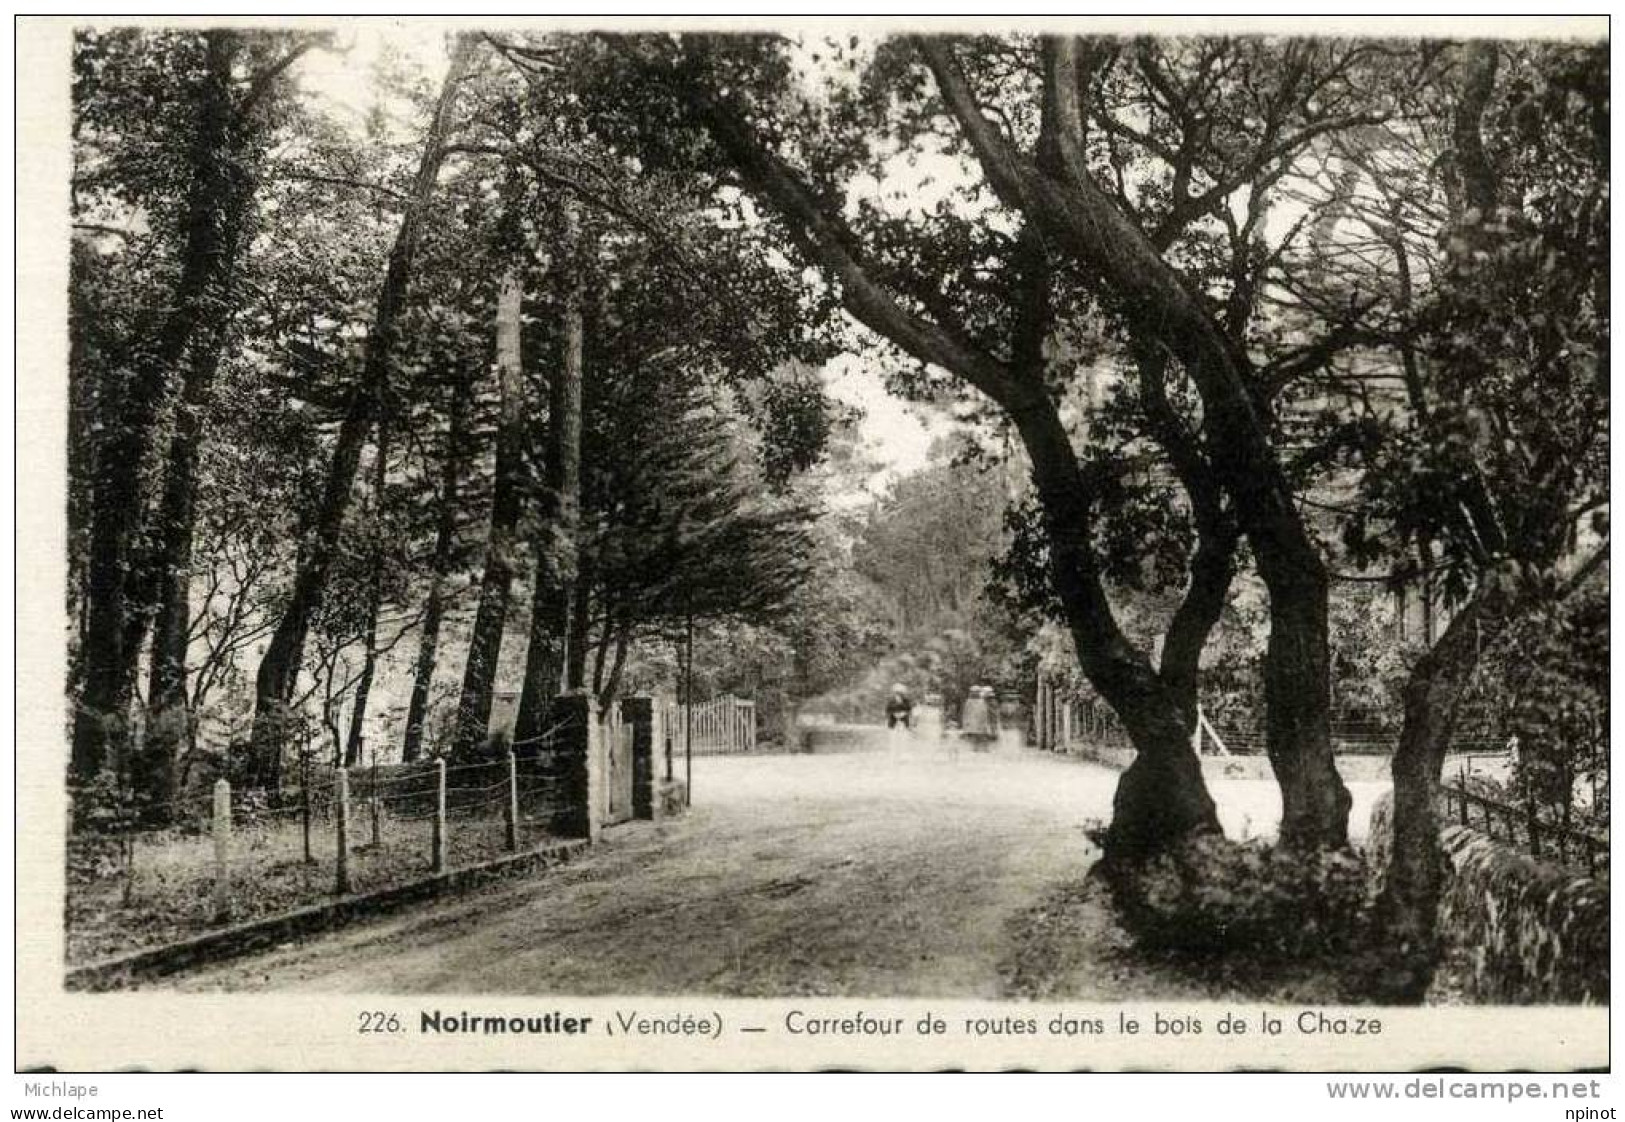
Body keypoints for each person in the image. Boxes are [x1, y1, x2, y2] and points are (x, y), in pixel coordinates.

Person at [960, 685, 997, 752]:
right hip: (975, 722)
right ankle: (976, 748)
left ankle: (984, 748)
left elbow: (984, 713)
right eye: (973, 692)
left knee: (982, 735)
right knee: (976, 736)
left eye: (976, 692)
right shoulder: (969, 702)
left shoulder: (982, 702)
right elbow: (966, 713)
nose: (975, 694)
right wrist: (966, 723)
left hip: (981, 722)